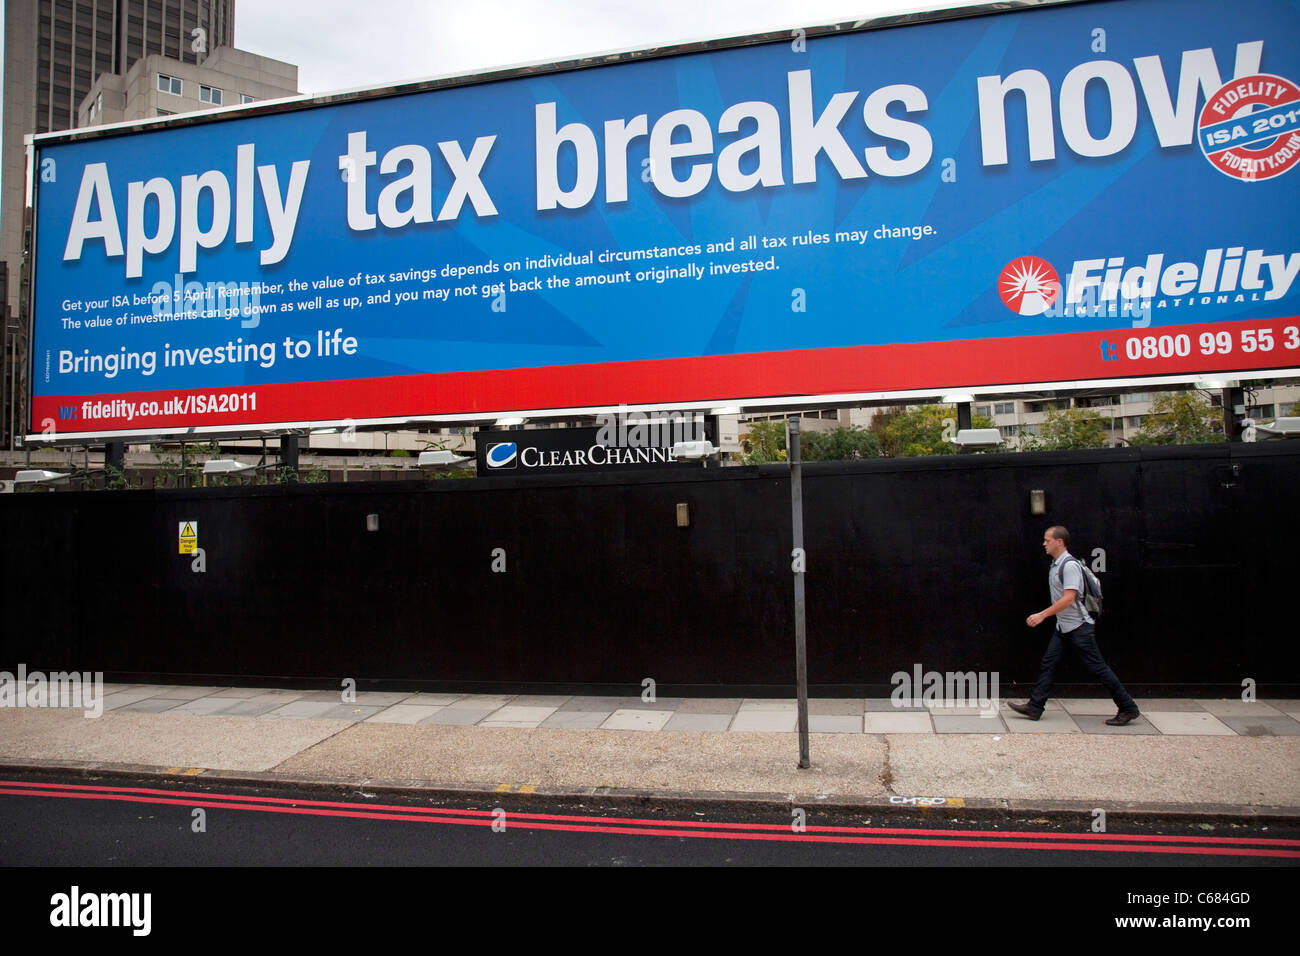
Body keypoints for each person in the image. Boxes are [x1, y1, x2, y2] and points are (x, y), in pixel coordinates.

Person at [1006, 526, 1140, 726]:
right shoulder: (1056, 564)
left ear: (1059, 542)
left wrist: (1042, 615)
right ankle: (1035, 707)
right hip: (1064, 628)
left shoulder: (1069, 566)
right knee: (1048, 664)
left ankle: (1128, 707)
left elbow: (1069, 598)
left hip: (1079, 628)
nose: (1044, 543)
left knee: (1098, 668)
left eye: (1047, 540)